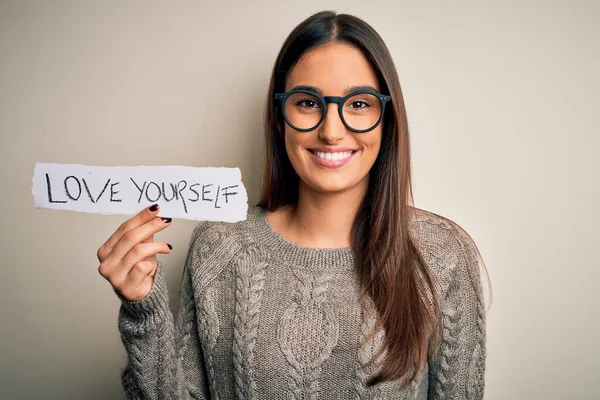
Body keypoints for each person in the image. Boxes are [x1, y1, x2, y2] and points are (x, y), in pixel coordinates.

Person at [97, 10, 487, 399]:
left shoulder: (443, 255)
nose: (332, 131)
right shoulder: (219, 249)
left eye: (358, 104)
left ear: (387, 119)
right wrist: (142, 311)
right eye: (307, 103)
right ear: (279, 116)